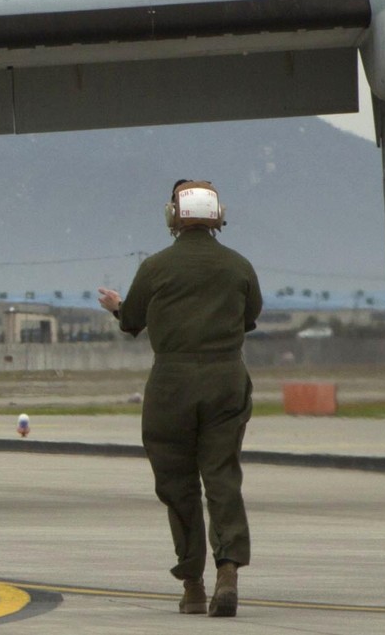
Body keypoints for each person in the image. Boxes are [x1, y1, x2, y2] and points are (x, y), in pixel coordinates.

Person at [98, 180, 262, 618]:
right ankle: (228, 570)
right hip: (226, 377)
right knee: (222, 477)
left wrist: (117, 307)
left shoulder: (155, 268)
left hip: (171, 383)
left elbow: (131, 320)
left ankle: (193, 585)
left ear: (174, 216)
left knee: (179, 484)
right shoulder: (239, 266)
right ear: (217, 216)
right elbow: (250, 318)